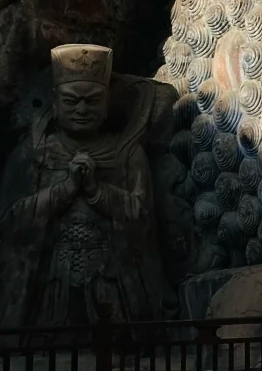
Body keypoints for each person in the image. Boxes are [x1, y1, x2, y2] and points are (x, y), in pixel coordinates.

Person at [0, 45, 166, 330]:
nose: (81, 109)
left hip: (113, 278)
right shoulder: (32, 155)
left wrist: (96, 191)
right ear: (55, 102)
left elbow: (143, 220)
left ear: (107, 103)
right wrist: (63, 191)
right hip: (49, 279)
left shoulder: (128, 154)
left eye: (92, 101)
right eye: (72, 100)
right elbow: (10, 222)